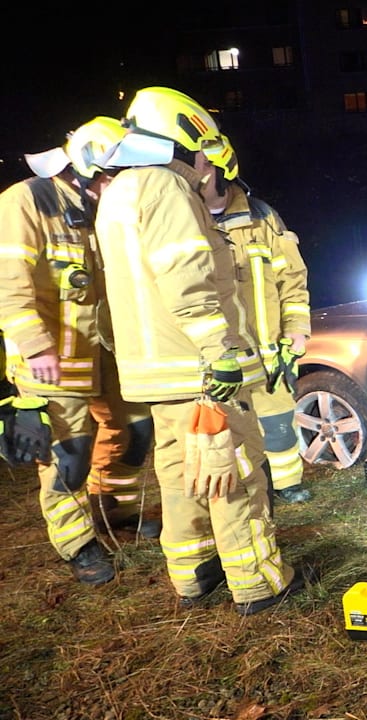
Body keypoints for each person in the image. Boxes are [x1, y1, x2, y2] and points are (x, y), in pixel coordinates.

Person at [95, 86, 306, 614]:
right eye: (200, 150)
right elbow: (187, 277)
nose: (203, 163)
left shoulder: (119, 192)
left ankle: (194, 574)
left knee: (180, 475)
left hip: (153, 373)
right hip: (194, 367)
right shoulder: (167, 187)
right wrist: (219, 350)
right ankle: (259, 583)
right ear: (181, 140)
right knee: (231, 472)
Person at [0, 116, 158, 585]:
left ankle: (116, 509)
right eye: (117, 175)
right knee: (68, 456)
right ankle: (78, 544)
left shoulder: (98, 210)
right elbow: (9, 284)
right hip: (50, 360)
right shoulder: (25, 200)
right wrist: (33, 348)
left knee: (137, 431)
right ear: (89, 170)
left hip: (107, 351)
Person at [199, 135, 313, 505]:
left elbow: (292, 278)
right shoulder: (184, 218)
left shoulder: (261, 217)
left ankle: (288, 484)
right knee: (229, 436)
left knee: (279, 424)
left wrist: (296, 330)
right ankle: (242, 493)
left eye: (201, 167)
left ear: (219, 171)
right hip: (222, 356)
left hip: (268, 355)